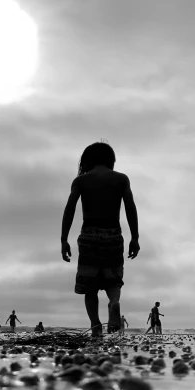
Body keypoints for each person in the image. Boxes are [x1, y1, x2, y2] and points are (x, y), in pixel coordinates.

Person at [60, 141, 140, 337]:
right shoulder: (121, 179)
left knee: (90, 287)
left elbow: (69, 209)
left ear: (87, 160)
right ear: (111, 159)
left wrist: (64, 239)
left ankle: (96, 325)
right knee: (114, 280)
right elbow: (130, 207)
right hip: (113, 233)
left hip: (89, 235)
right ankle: (114, 303)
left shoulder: (81, 181)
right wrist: (135, 237)